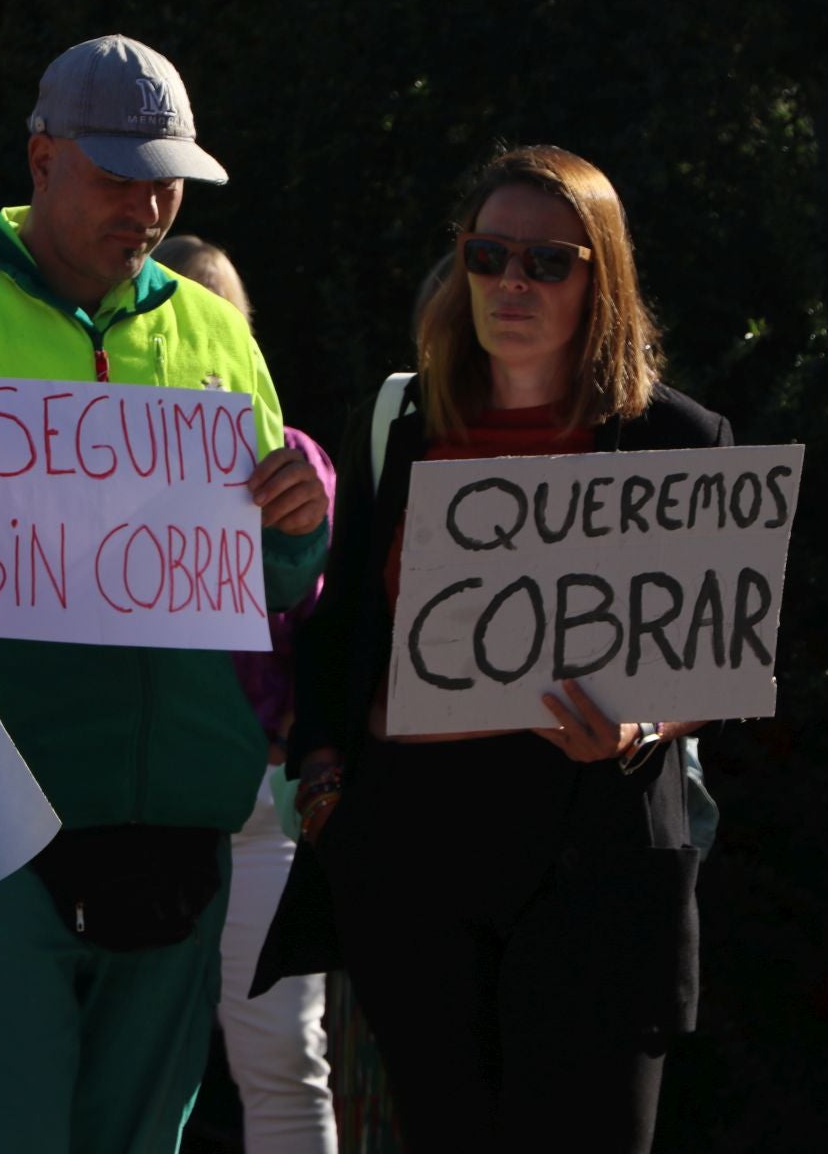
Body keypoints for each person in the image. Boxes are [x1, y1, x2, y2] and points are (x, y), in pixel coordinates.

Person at [0, 35, 329, 1154]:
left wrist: (302, 525)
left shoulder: (214, 328)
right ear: (41, 156)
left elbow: (268, 577)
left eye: (167, 183)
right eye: (116, 175)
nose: (147, 209)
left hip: (180, 837)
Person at [257, 145, 732, 1154]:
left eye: (547, 262)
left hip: (596, 861)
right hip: (416, 859)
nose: (512, 283)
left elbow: (721, 651)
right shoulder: (404, 419)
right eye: (487, 255)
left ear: (602, 277)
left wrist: (640, 724)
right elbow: (343, 627)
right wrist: (326, 770)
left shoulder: (676, 439)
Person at [150, 235, 338, 1154]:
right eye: (180, 314)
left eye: (223, 320)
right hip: (135, 802)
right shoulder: (87, 467)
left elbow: (319, 609)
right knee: (137, 1065)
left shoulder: (295, 462)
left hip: (259, 803)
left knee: (281, 1063)